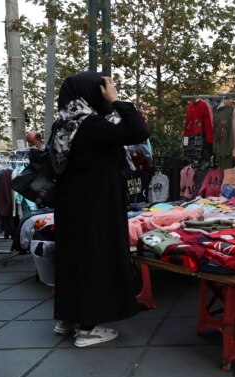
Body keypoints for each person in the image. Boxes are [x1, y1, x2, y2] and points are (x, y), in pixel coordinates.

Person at [51, 71, 150, 347]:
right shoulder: (91, 125)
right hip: (96, 206)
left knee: (74, 260)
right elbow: (139, 131)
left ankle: (69, 317)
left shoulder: (64, 124)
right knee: (96, 259)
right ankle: (87, 328)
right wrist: (117, 100)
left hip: (71, 205)